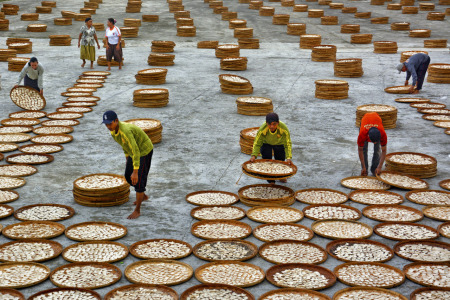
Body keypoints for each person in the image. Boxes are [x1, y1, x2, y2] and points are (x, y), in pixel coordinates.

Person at [102, 111, 153, 219]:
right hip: (133, 152)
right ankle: (142, 196)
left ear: (116, 120)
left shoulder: (125, 131)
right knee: (128, 177)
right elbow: (124, 145)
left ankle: (137, 210)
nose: (108, 126)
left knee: (138, 181)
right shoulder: (113, 132)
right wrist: (127, 160)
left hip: (144, 151)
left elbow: (136, 151)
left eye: (110, 123)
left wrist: (135, 172)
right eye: (106, 124)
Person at [250, 112, 293, 183]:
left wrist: (288, 157)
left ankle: (281, 176)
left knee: (280, 159)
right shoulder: (262, 129)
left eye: (274, 124)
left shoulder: (284, 128)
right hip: (266, 143)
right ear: (266, 123)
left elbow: (287, 143)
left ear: (278, 123)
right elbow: (257, 143)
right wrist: (254, 155)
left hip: (279, 144)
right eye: (269, 124)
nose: (272, 126)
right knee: (267, 161)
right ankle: (270, 180)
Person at [357, 112, 387, 176]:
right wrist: (363, 167)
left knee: (377, 150)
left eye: (376, 141)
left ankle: (374, 168)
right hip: (365, 119)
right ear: (368, 137)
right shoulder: (362, 133)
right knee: (364, 149)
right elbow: (360, 150)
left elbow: (383, 151)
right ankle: (365, 170)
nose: (375, 143)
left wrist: (379, 167)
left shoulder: (382, 133)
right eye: (373, 142)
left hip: (377, 119)